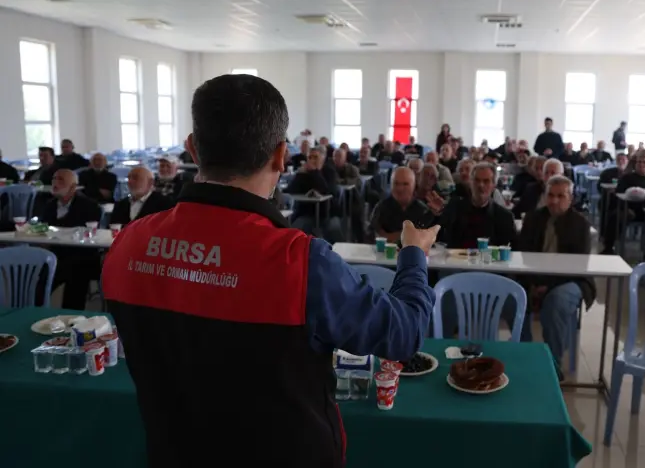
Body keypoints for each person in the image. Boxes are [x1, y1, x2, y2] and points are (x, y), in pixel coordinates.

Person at [102, 73, 438, 467]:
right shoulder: (300, 263)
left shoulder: (127, 247)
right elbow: (404, 333)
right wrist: (413, 254)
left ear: (192, 148)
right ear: (280, 156)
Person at [515, 175, 595, 362]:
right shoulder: (533, 219)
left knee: (556, 303)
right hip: (533, 277)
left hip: (571, 280)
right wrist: (532, 284)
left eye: (561, 196)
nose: (554, 201)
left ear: (570, 199)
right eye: (550, 195)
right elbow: (522, 256)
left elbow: (578, 266)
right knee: (513, 297)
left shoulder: (580, 224)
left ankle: (553, 364)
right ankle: (524, 353)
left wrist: (547, 287)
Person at [38, 169, 102, 309]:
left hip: (80, 256)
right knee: (37, 275)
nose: (55, 183)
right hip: (55, 254)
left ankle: (72, 316)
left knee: (77, 273)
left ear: (73, 187)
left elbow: (89, 235)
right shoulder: (49, 205)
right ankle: (35, 312)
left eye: (61, 180)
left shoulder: (90, 206)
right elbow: (42, 230)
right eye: (54, 178)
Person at [429, 163, 516, 248]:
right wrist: (437, 216)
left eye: (486, 181)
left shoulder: (504, 217)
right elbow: (435, 237)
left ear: (494, 185)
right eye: (477, 180)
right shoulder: (455, 208)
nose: (480, 185)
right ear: (470, 183)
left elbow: (512, 250)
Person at [601, 149, 645, 255]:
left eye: (644, 162)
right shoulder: (626, 178)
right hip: (628, 209)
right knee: (617, 215)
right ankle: (609, 246)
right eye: (639, 162)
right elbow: (618, 195)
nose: (641, 164)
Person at [371, 167, 432, 242]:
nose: (400, 189)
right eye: (396, 183)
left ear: (414, 186)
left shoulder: (423, 210)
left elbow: (425, 238)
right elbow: (374, 235)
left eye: (405, 184)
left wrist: (390, 237)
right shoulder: (381, 207)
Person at [111, 167, 175, 226]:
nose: (130, 181)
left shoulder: (165, 204)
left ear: (150, 182)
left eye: (135, 178)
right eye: (128, 178)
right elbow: (114, 227)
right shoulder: (121, 204)